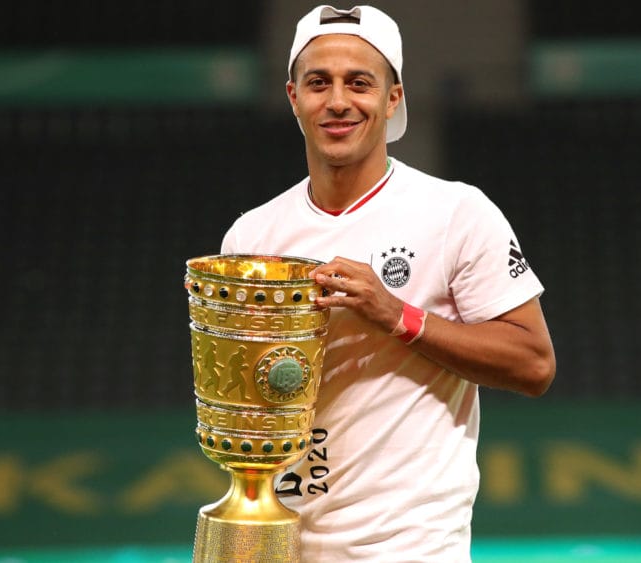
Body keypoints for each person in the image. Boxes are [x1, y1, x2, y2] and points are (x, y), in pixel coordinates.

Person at [220, 5, 555, 561]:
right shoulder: (252, 238)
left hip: (412, 547)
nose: (338, 101)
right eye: (318, 82)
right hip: (287, 542)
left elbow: (535, 364)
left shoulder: (456, 213)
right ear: (293, 97)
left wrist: (399, 316)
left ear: (393, 98)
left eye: (360, 83)